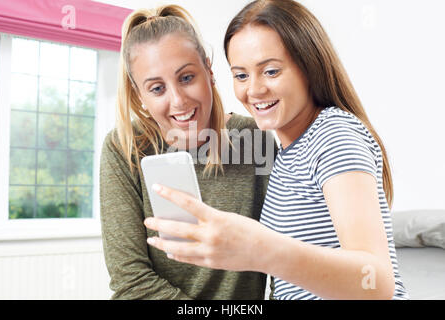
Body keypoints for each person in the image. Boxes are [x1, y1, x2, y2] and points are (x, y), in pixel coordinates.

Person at [144, 0, 410, 300]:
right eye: (241, 75)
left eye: (270, 71)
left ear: (309, 66)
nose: (254, 90)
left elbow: (375, 281)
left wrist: (262, 250)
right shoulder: (285, 151)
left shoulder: (334, 136)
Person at [100, 4, 276, 299]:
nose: (179, 101)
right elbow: (131, 280)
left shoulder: (254, 138)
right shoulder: (124, 148)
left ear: (208, 70)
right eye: (157, 89)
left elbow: (282, 257)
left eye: (186, 78)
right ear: (139, 95)